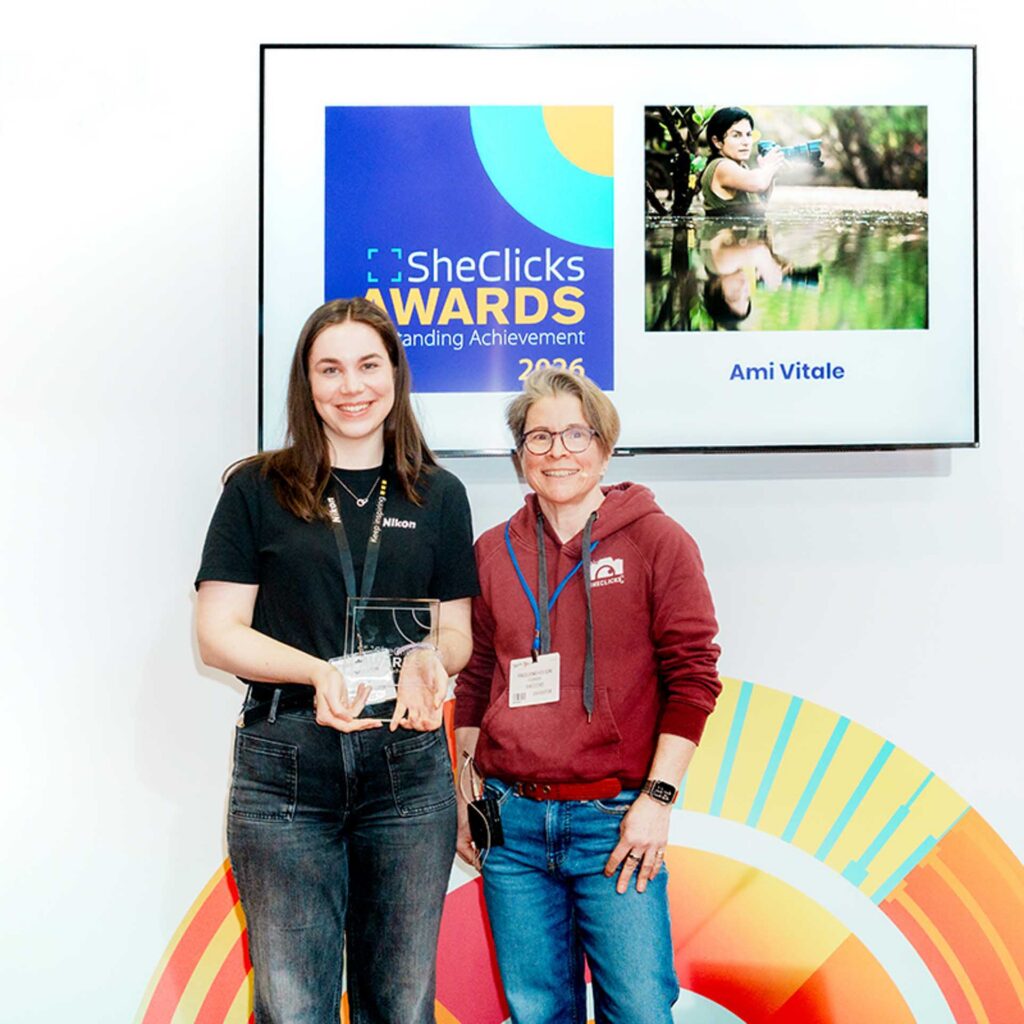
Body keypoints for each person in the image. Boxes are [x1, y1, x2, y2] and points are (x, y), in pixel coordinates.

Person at [195, 297, 478, 1024]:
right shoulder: (257, 489)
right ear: (306, 382)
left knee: (403, 1004)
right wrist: (319, 672)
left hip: (407, 770)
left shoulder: (440, 495)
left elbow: (456, 634)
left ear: (395, 375)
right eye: (330, 369)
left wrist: (428, 661)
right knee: (292, 1008)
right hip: (286, 766)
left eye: (367, 365)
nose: (351, 387)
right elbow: (218, 632)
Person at [453, 369, 722, 1024]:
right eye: (539, 437)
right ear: (521, 456)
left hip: (616, 824)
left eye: (576, 433)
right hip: (511, 827)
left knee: (638, 1009)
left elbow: (694, 676)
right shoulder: (491, 552)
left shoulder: (659, 542)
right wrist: (468, 800)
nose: (557, 451)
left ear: (604, 446)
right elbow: (475, 678)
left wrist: (656, 801)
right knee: (537, 1012)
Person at [700, 106, 786, 217]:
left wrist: (771, 173)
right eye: (736, 135)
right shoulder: (721, 166)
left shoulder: (743, 169)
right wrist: (769, 166)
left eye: (748, 135)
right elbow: (758, 184)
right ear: (717, 142)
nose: (746, 142)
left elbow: (760, 207)